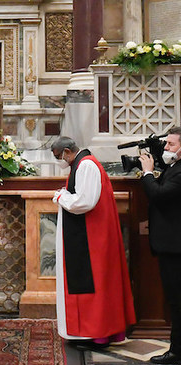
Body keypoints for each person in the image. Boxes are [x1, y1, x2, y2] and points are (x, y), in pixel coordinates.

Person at [51, 136, 136, 347]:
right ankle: (92, 332)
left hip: (92, 237)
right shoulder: (81, 163)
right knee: (93, 284)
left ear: (68, 151)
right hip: (88, 234)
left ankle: (97, 335)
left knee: (94, 283)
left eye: (58, 156)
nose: (58, 161)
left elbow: (84, 202)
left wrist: (61, 197)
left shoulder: (86, 166)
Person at [139, 127, 181, 365]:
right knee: (175, 303)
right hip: (170, 247)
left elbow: (159, 194)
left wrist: (146, 173)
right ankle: (176, 351)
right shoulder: (174, 168)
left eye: (171, 145)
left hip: (178, 248)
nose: (166, 149)